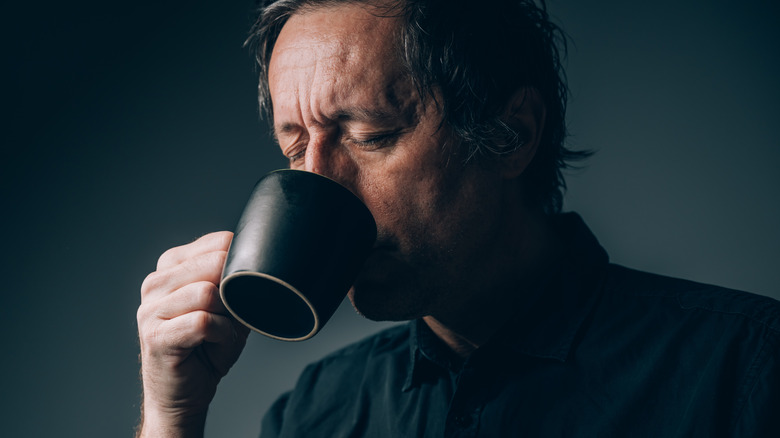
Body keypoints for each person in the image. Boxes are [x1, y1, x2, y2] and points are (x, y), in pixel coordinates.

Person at [135, 0, 780, 436]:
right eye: (296, 147)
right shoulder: (318, 414)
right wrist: (171, 417)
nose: (318, 183)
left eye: (370, 134)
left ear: (510, 133)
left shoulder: (744, 372)